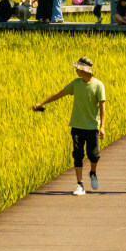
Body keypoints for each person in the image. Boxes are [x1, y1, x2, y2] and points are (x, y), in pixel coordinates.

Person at [32, 57, 106, 196]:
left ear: (84, 69)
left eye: (77, 68)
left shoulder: (98, 85)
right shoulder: (76, 84)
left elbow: (103, 107)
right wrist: (42, 103)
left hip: (92, 127)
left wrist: (102, 127)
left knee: (94, 155)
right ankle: (80, 184)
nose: (76, 70)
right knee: (77, 154)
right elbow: (59, 94)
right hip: (77, 125)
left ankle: (93, 172)